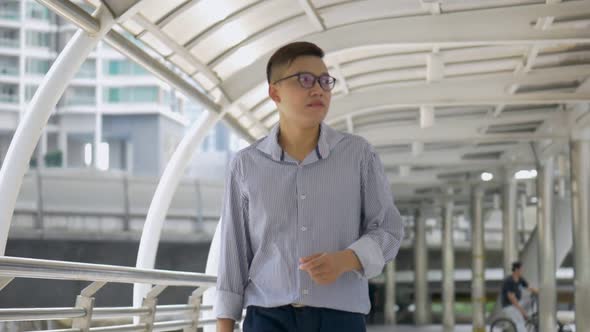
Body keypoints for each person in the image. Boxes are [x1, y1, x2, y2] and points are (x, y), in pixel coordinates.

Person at [214, 41, 404, 332]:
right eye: (304, 80)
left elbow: (389, 230)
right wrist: (225, 325)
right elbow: (234, 253)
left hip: (340, 319)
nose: (318, 89)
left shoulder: (358, 155)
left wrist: (348, 259)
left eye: (325, 81)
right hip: (267, 318)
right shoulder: (246, 164)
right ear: (274, 92)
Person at [501, 261, 539, 332]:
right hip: (509, 306)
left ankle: (528, 316)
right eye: (521, 269)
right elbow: (512, 298)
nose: (522, 271)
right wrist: (522, 311)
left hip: (517, 302)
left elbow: (529, 287)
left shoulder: (520, 279)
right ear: (516, 270)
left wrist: (540, 293)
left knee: (530, 299)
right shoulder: (509, 281)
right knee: (519, 322)